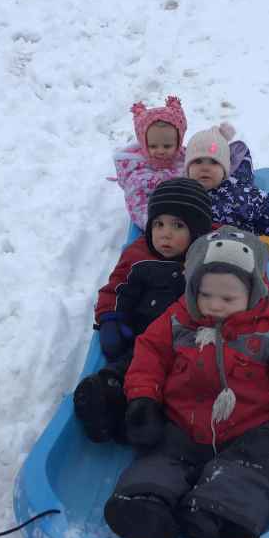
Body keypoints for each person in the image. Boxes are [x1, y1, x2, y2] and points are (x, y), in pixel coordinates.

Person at [103, 226, 269, 538]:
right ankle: (146, 504)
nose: (215, 305)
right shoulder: (178, 319)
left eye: (228, 298)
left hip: (247, 429)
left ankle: (216, 513)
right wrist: (144, 398)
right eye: (205, 295)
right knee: (160, 456)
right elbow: (149, 354)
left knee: (256, 464)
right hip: (182, 422)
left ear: (254, 292)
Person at [74, 178, 213, 443]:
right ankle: (107, 397)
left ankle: (147, 420)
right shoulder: (138, 255)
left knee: (182, 384)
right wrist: (110, 319)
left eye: (178, 225)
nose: (165, 234)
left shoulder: (205, 261)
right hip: (142, 341)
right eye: (158, 224)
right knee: (130, 368)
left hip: (187, 343)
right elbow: (116, 287)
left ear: (197, 231)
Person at [185, 125, 269, 259]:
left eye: (213, 162)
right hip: (197, 256)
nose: (205, 168)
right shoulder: (182, 195)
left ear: (225, 169)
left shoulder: (241, 194)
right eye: (198, 161)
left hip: (240, 253)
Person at [113, 96, 188, 229]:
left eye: (167, 146)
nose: (160, 151)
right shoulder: (137, 174)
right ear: (143, 143)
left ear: (178, 141)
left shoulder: (186, 159)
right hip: (153, 221)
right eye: (153, 146)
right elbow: (136, 203)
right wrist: (150, 223)